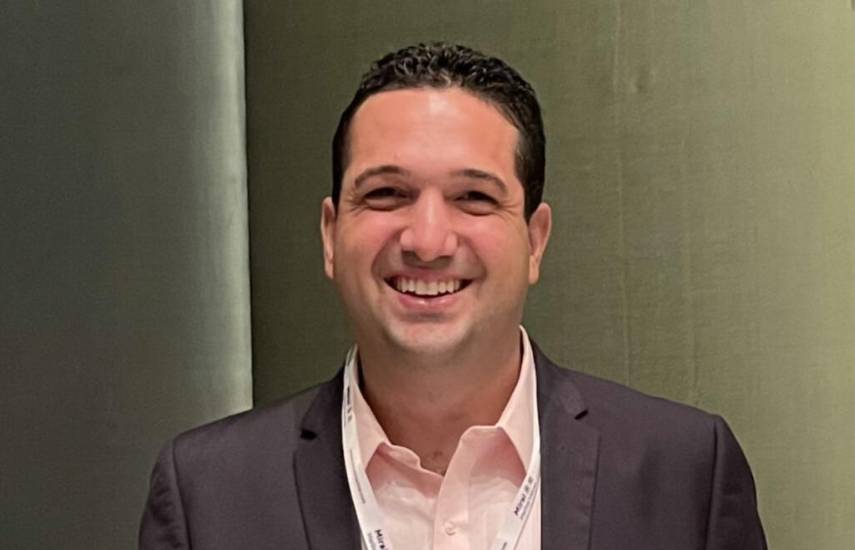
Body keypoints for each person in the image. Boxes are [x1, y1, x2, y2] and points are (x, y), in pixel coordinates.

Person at [140, 42, 766, 550]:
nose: (428, 241)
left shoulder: (685, 473)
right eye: (386, 194)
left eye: (474, 198)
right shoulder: (209, 494)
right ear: (330, 236)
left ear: (535, 241)